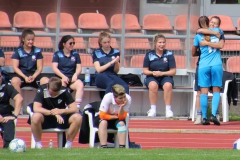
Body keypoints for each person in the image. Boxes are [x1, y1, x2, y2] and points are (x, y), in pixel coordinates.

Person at [29, 77, 82, 148]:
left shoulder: (65, 91)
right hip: (45, 117)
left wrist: (62, 111)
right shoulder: (42, 90)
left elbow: (75, 109)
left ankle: (68, 145)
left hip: (61, 119)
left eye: (55, 94)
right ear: (48, 86)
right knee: (36, 116)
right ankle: (38, 144)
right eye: (51, 93)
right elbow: (36, 108)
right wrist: (53, 113)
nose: (53, 95)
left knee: (78, 117)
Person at [192, 16, 224, 125]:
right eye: (212, 22)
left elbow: (193, 52)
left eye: (215, 23)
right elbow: (220, 45)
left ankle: (205, 117)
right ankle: (213, 115)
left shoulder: (198, 35)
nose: (213, 24)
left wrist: (206, 44)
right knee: (216, 91)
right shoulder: (218, 32)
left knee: (204, 92)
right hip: (216, 64)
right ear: (208, 22)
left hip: (203, 65)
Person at [143, 33, 176, 117]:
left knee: (168, 85)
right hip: (152, 77)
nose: (162, 45)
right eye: (160, 42)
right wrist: (153, 72)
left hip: (166, 76)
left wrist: (162, 73)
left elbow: (173, 71)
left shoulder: (169, 54)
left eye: (163, 42)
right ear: (155, 43)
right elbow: (145, 71)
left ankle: (168, 110)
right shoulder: (149, 54)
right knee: (153, 85)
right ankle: (153, 109)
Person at [11, 29, 49, 95]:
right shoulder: (18, 51)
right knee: (14, 81)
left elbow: (39, 67)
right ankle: (19, 103)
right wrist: (25, 77)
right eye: (28, 40)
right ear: (23, 39)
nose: (31, 42)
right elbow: (15, 67)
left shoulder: (37, 51)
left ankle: (44, 102)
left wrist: (33, 76)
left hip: (34, 75)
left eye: (32, 40)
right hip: (22, 75)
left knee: (46, 81)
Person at [92, 31, 129, 96]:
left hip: (112, 74)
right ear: (100, 43)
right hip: (101, 75)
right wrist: (111, 62)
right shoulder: (96, 52)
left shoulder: (116, 52)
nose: (107, 44)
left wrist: (116, 62)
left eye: (108, 42)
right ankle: (107, 104)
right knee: (111, 83)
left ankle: (124, 105)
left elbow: (116, 71)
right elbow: (99, 69)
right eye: (105, 42)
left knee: (125, 86)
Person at [52, 35, 84, 110]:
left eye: (73, 43)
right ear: (64, 44)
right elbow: (54, 68)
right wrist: (63, 77)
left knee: (80, 84)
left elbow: (79, 67)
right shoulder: (57, 54)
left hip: (71, 78)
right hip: (61, 78)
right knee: (62, 85)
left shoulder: (75, 54)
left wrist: (75, 75)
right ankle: (64, 106)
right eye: (70, 43)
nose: (72, 45)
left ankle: (77, 108)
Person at [95, 84, 131, 148]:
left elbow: (121, 117)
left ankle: (122, 147)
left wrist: (122, 107)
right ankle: (104, 146)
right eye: (120, 98)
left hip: (117, 118)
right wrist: (115, 116)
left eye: (124, 97)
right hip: (106, 117)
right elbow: (102, 115)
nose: (123, 100)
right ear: (114, 97)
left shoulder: (128, 99)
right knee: (103, 122)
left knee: (121, 124)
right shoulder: (108, 97)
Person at [0, 71, 23, 148]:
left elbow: (19, 99)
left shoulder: (6, 86)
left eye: (0, 77)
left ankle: (8, 147)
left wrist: (14, 115)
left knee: (9, 122)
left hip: (5, 115)